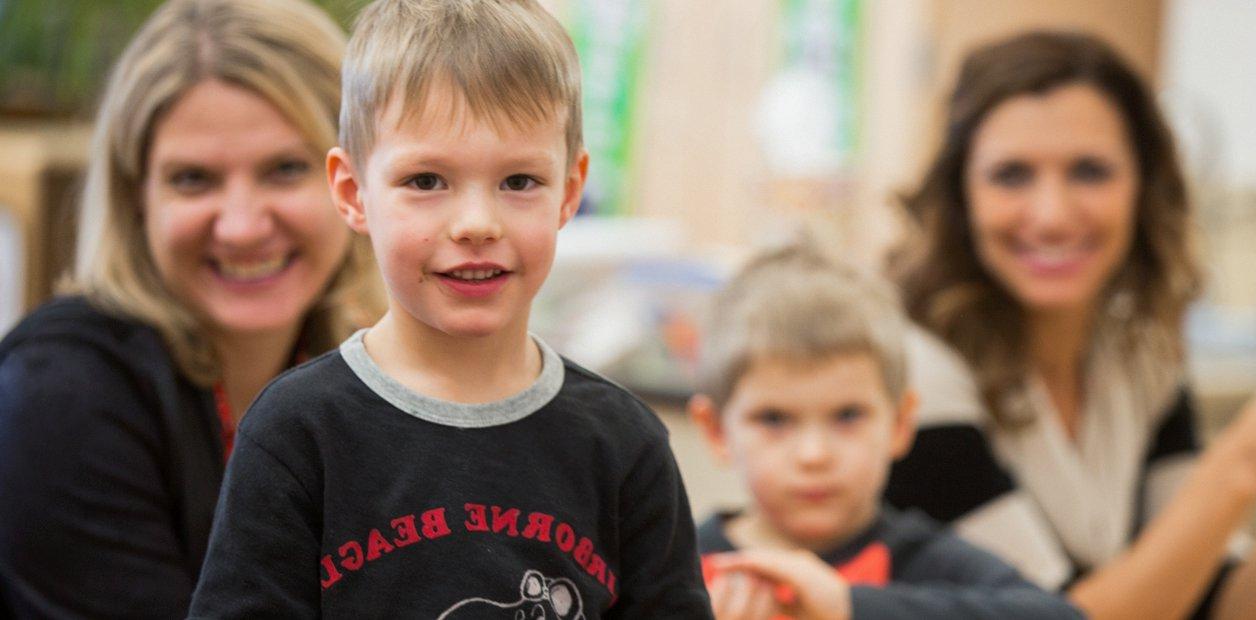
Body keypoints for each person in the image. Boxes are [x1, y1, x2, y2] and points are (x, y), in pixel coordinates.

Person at [883, 30, 1256, 619]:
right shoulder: (915, 378)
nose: (1051, 214)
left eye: (1090, 172)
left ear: (1143, 189)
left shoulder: (1137, 360)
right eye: (1012, 175)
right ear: (960, 197)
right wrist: (1241, 463)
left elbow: (1234, 611)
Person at [186, 1, 711, 617]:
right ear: (353, 193)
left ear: (568, 192)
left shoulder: (625, 446)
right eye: (427, 180)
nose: (476, 224)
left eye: (518, 182)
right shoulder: (297, 434)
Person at [0, 0, 380, 616]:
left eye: (285, 169)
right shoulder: (61, 392)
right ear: (135, 199)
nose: (241, 226)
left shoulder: (374, 370)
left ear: (357, 183)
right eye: (193, 179)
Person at [687, 245, 1082, 619]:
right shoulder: (673, 566)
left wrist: (848, 606)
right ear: (716, 430)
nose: (814, 454)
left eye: (847, 416)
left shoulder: (928, 562)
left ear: (899, 423)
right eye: (774, 419)